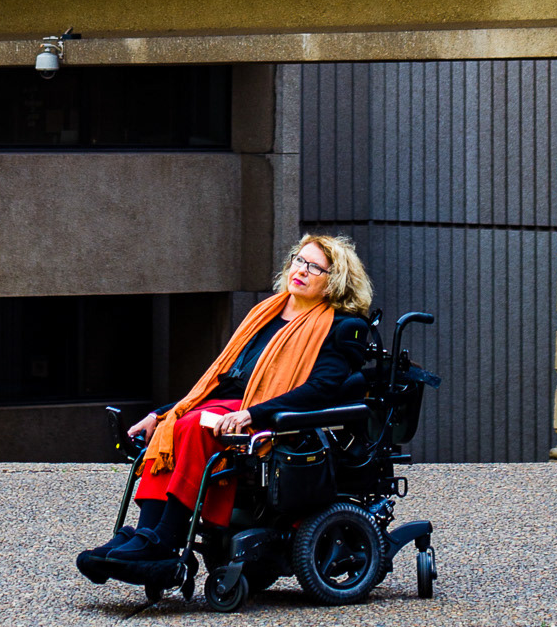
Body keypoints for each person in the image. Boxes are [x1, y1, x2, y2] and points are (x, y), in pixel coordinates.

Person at [76, 233, 373, 591]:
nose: (302, 270)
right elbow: (225, 380)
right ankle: (145, 535)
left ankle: (167, 539)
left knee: (193, 428)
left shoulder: (341, 327)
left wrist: (255, 414)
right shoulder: (264, 313)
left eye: (315, 267)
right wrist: (162, 413)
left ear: (335, 280)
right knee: (173, 425)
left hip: (271, 421)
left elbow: (321, 390)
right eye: (299, 260)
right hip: (232, 407)